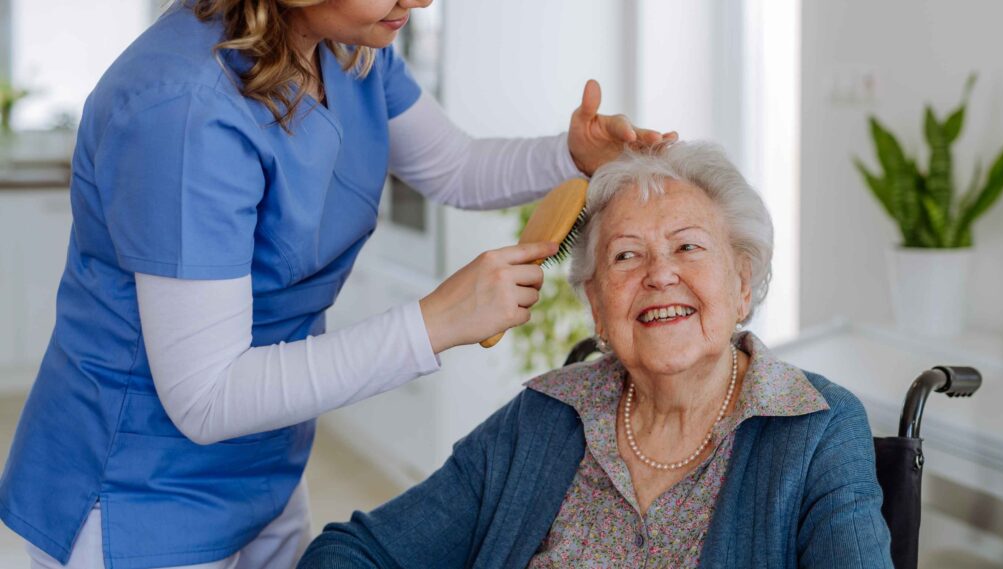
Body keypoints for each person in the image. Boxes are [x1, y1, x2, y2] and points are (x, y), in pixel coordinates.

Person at [0, 1, 676, 567]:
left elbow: (456, 166)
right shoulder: (181, 110)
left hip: (263, 461)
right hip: (134, 495)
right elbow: (205, 397)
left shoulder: (347, 46)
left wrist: (570, 155)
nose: (421, 0)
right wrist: (435, 321)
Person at [297, 142, 895, 569]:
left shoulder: (816, 427)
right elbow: (357, 552)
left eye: (688, 246)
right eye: (626, 256)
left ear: (743, 283)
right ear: (597, 307)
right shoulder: (545, 416)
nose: (661, 274)